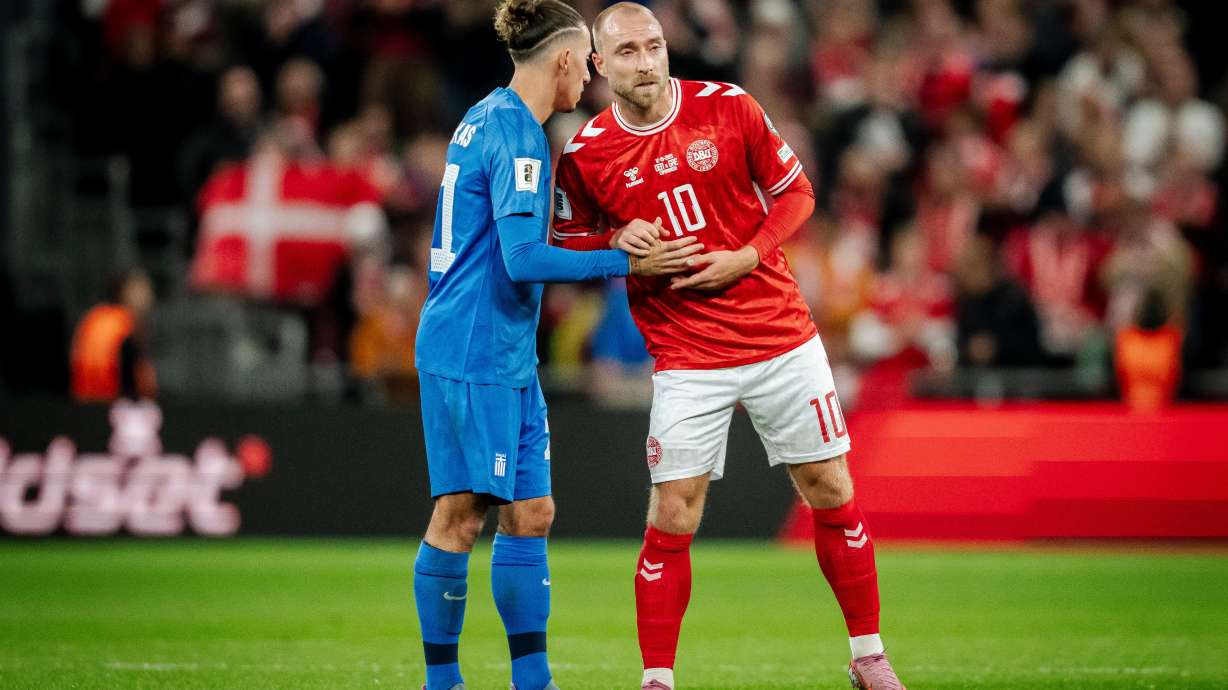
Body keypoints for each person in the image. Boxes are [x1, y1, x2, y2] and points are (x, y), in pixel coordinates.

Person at [551, 4, 906, 689]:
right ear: (599, 65)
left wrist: (749, 254)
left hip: (779, 334)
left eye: (653, 46)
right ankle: (657, 678)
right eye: (626, 51)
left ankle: (869, 655)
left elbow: (796, 193)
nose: (646, 61)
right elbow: (569, 245)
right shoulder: (588, 153)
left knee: (831, 488)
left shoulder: (728, 107)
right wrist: (618, 247)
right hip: (686, 355)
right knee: (672, 510)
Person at [411, 2, 703, 690]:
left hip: (504, 349)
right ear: (568, 59)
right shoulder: (518, 135)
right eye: (588, 66)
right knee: (459, 515)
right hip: (472, 347)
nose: (592, 83)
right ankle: (442, 683)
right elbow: (520, 258)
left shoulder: (486, 113)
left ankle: (533, 681)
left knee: (533, 510)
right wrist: (623, 261)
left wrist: (607, 241)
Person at [70, 268, 158, 403]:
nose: (148, 296)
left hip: (84, 404)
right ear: (124, 292)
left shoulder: (93, 317)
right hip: (114, 405)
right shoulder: (123, 324)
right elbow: (141, 381)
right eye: (140, 289)